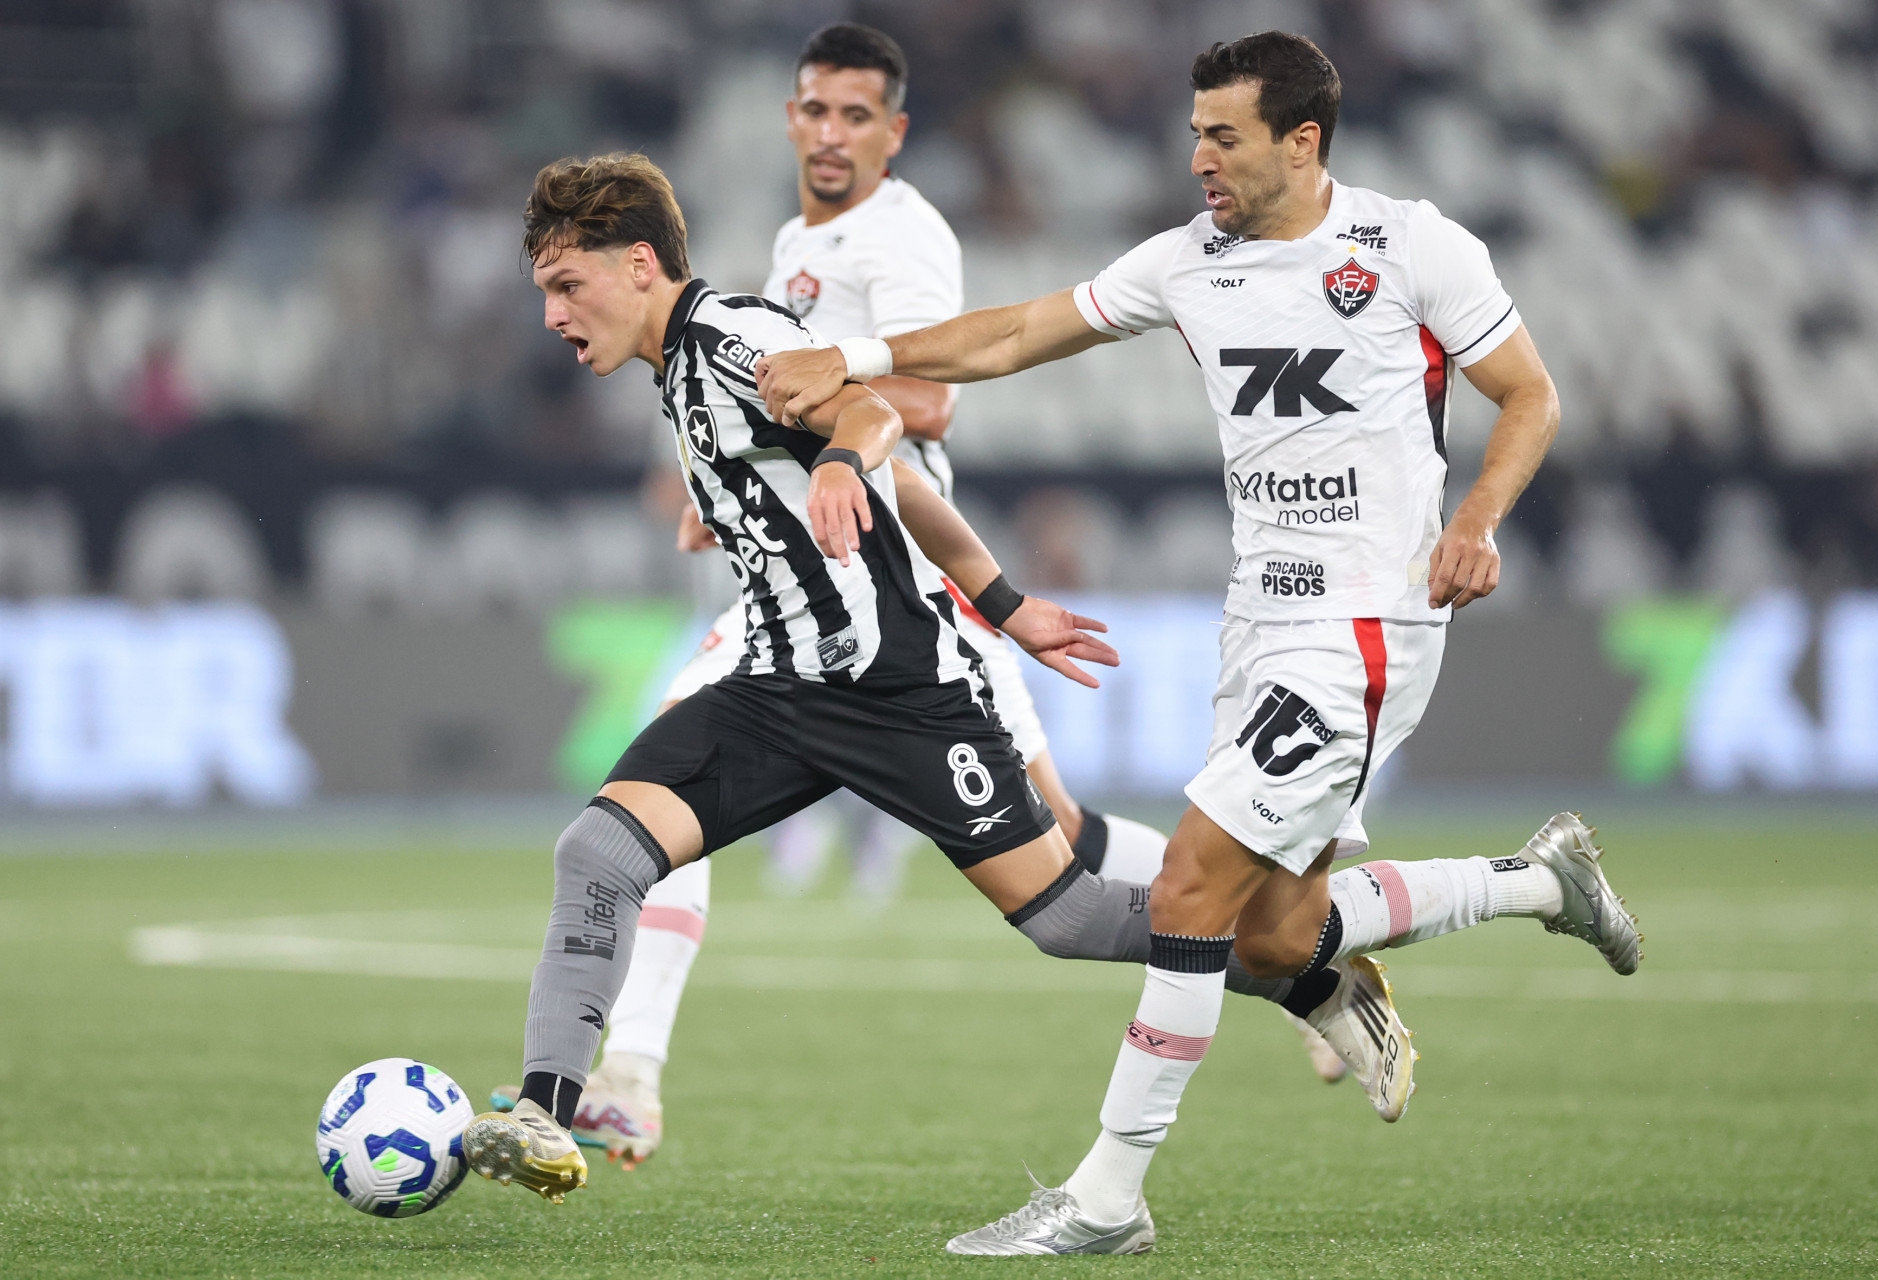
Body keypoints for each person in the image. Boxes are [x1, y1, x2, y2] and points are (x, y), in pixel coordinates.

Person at [756, 31, 1642, 1255]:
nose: (1199, 158)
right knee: (1279, 934)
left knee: (1189, 885)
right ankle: (1546, 881)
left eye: (1223, 135)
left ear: (1302, 141)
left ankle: (1107, 1196)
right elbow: (1015, 334)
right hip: (1257, 622)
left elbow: (1530, 393)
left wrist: (1478, 521)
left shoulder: (1410, 245)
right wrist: (855, 356)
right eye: (1194, 133)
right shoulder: (1189, 261)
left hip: (1365, 625)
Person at [462, 148, 1417, 1206]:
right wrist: (1006, 600)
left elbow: (880, 420)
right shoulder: (673, 373)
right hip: (776, 689)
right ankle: (546, 1114)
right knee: (599, 850)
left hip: (896, 693)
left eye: (565, 284)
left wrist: (841, 465)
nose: (552, 314)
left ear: (638, 262)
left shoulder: (737, 338)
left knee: (1065, 914)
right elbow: (909, 489)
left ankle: (1308, 973)